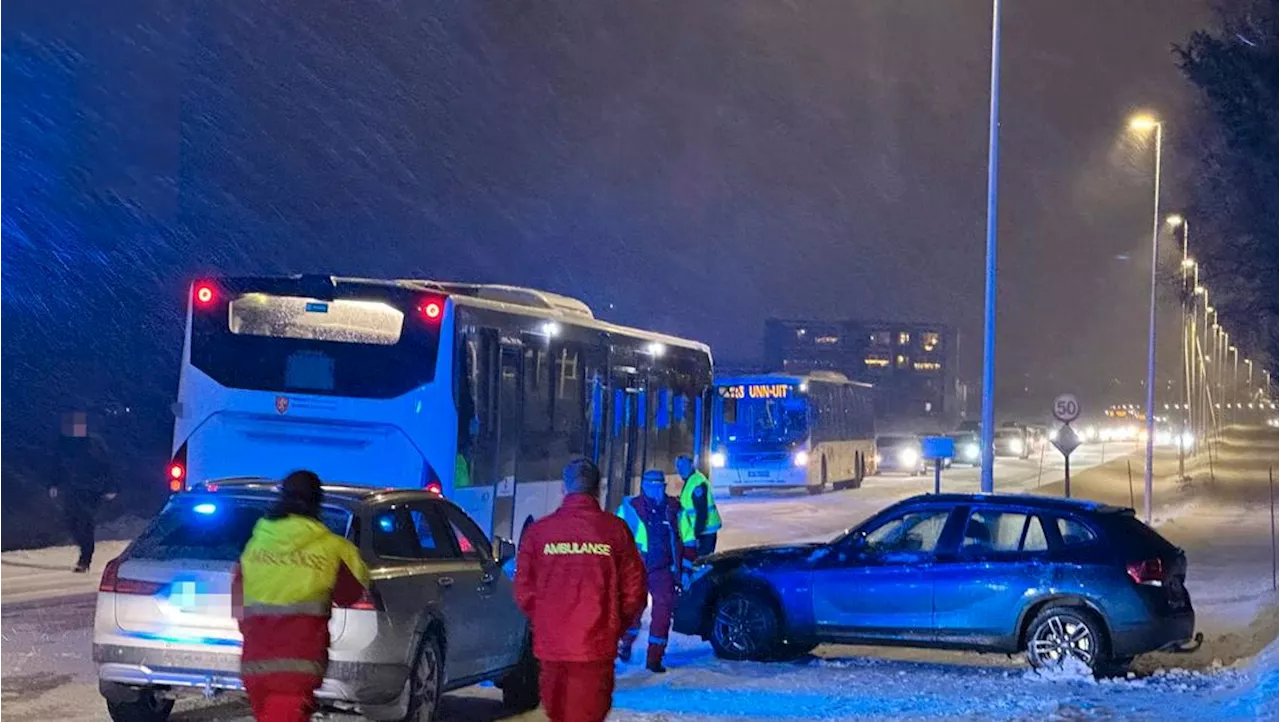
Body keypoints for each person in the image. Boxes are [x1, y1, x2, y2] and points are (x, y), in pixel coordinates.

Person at [515, 459, 646, 722]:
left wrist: (545, 621)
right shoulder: (615, 531)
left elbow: (523, 589)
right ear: (599, 490)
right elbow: (635, 590)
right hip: (595, 648)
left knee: (559, 714)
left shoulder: (539, 533)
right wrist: (613, 625)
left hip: (552, 648)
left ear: (564, 489)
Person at [234, 470, 370, 722]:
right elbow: (350, 594)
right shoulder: (331, 548)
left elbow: (238, 599)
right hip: (298, 666)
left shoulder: (256, 544)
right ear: (317, 502)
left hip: (255, 662)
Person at [616, 469, 697, 673]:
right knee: (633, 609)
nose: (655, 490)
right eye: (651, 486)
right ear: (643, 486)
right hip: (636, 569)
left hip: (663, 570)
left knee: (662, 613)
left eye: (659, 486)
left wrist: (686, 568)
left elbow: (688, 540)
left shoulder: (675, 509)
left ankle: (654, 658)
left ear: (664, 487)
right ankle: (625, 644)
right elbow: (617, 540)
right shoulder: (629, 509)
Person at [48, 411, 117, 573]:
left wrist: (110, 487)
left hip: (92, 490)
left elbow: (106, 466)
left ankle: (85, 559)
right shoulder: (65, 444)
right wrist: (54, 484)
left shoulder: (95, 443)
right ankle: (84, 552)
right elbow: (58, 465)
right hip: (72, 489)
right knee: (71, 521)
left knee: (85, 522)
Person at [676, 455, 722, 557]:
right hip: (701, 532)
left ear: (691, 465)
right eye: (678, 466)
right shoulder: (691, 480)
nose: (680, 469)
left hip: (704, 533)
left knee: (701, 563)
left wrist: (696, 536)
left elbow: (702, 512)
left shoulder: (697, 482)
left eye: (683, 466)